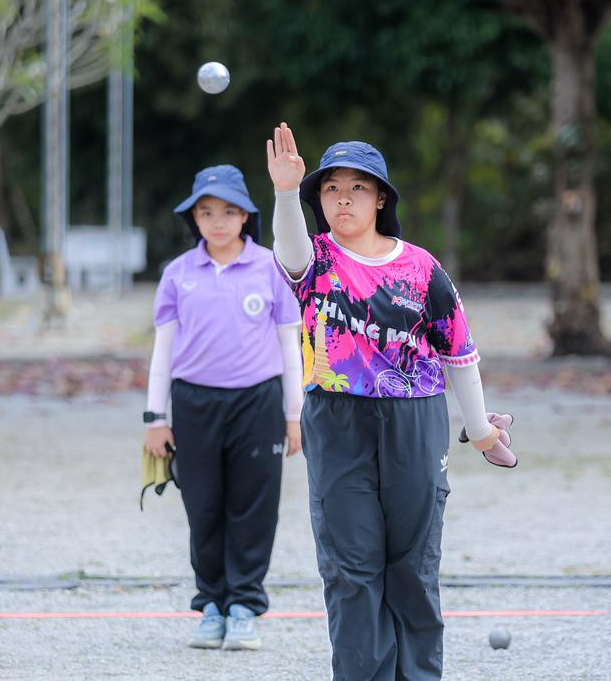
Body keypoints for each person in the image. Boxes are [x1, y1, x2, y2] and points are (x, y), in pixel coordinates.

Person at [266, 123, 501, 679]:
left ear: (381, 199)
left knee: (413, 566)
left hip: (414, 419)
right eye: (330, 189)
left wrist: (481, 429)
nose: (343, 199)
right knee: (352, 567)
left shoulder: (422, 268)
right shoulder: (315, 262)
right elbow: (289, 247)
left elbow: (458, 350)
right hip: (337, 418)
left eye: (358, 188)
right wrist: (283, 192)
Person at [143, 164, 303, 651]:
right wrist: (155, 417)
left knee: (254, 507)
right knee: (203, 505)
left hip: (258, 402)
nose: (217, 221)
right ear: (194, 218)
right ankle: (211, 605)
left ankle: (243, 607)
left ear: (246, 216)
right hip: (194, 403)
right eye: (206, 212)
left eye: (228, 211)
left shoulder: (271, 268)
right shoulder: (178, 275)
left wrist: (293, 415)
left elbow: (290, 348)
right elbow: (163, 352)